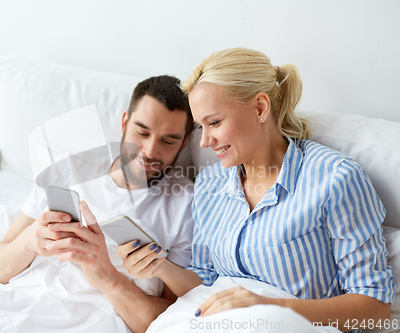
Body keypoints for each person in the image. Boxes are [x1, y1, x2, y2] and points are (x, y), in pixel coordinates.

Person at [119, 48, 395, 332]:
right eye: (201, 127)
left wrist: (269, 307)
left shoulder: (335, 178)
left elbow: (375, 310)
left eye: (214, 122)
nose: (205, 142)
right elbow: (205, 285)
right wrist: (160, 267)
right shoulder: (209, 184)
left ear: (261, 108)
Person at [0, 75, 195, 333]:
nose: (150, 151)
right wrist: (31, 240)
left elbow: (169, 318)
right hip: (23, 305)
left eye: (168, 141)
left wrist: (107, 276)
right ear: (124, 123)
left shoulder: (187, 204)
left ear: (184, 143)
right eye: (142, 132)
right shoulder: (65, 168)